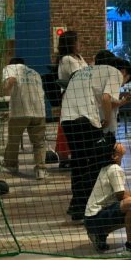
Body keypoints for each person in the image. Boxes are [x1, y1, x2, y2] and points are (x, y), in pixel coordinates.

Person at [59, 56, 131, 220]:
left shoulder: (84, 72)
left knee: (79, 162)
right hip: (86, 121)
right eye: (125, 80)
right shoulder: (114, 72)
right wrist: (106, 120)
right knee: (96, 163)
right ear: (124, 72)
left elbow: (104, 100)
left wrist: (121, 102)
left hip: (66, 120)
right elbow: (106, 98)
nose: (122, 84)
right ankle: (88, 206)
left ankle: (77, 207)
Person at [83, 142, 131, 254]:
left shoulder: (108, 168)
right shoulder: (115, 169)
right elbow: (120, 195)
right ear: (114, 156)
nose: (117, 143)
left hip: (91, 219)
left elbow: (122, 192)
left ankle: (100, 234)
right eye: (115, 145)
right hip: (95, 219)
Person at [1, 57, 48, 180]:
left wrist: (5, 91)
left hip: (20, 112)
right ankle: (40, 170)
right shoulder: (35, 73)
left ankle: (11, 165)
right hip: (39, 111)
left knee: (14, 140)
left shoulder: (10, 68)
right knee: (39, 143)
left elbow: (11, 80)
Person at [54, 30, 86, 167]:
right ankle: (64, 157)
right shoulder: (67, 59)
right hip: (71, 97)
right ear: (71, 43)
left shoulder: (79, 57)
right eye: (77, 41)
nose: (80, 43)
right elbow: (79, 75)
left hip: (81, 96)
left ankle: (77, 154)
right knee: (68, 126)